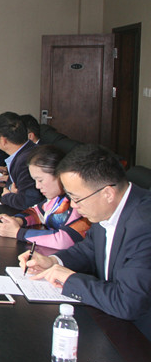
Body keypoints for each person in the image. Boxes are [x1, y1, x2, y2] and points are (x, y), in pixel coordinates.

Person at [20, 144, 151, 340]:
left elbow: (127, 302)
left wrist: (69, 279)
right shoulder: (105, 208)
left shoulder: (144, 224)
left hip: (139, 338)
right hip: (110, 320)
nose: (73, 206)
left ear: (107, 193)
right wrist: (53, 261)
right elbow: (88, 250)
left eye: (77, 198)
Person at [0, 145, 91, 249]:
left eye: (40, 180)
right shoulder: (57, 198)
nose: (37, 186)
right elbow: (37, 212)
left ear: (59, 174)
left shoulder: (77, 203)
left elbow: (65, 240)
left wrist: (18, 232)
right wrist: (18, 220)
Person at [0, 112, 43, 210]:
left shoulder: (26, 160)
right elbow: (10, 186)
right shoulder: (27, 150)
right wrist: (10, 188)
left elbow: (28, 201)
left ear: (3, 140)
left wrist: (7, 197)